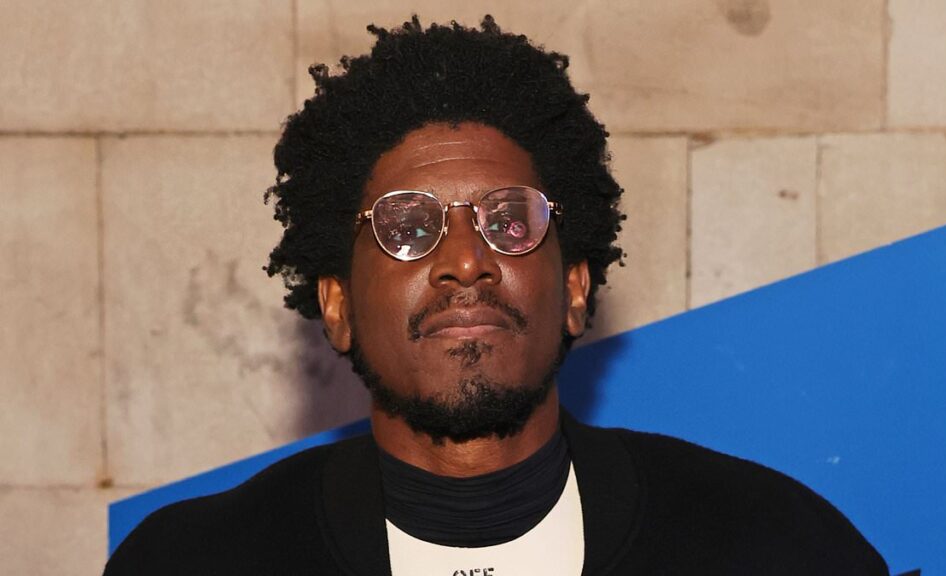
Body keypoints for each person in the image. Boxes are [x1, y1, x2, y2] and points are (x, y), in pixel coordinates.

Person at [104, 16, 889, 575]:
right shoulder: (196, 561)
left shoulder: (774, 546)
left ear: (575, 287)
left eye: (509, 221)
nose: (465, 261)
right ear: (337, 305)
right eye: (408, 227)